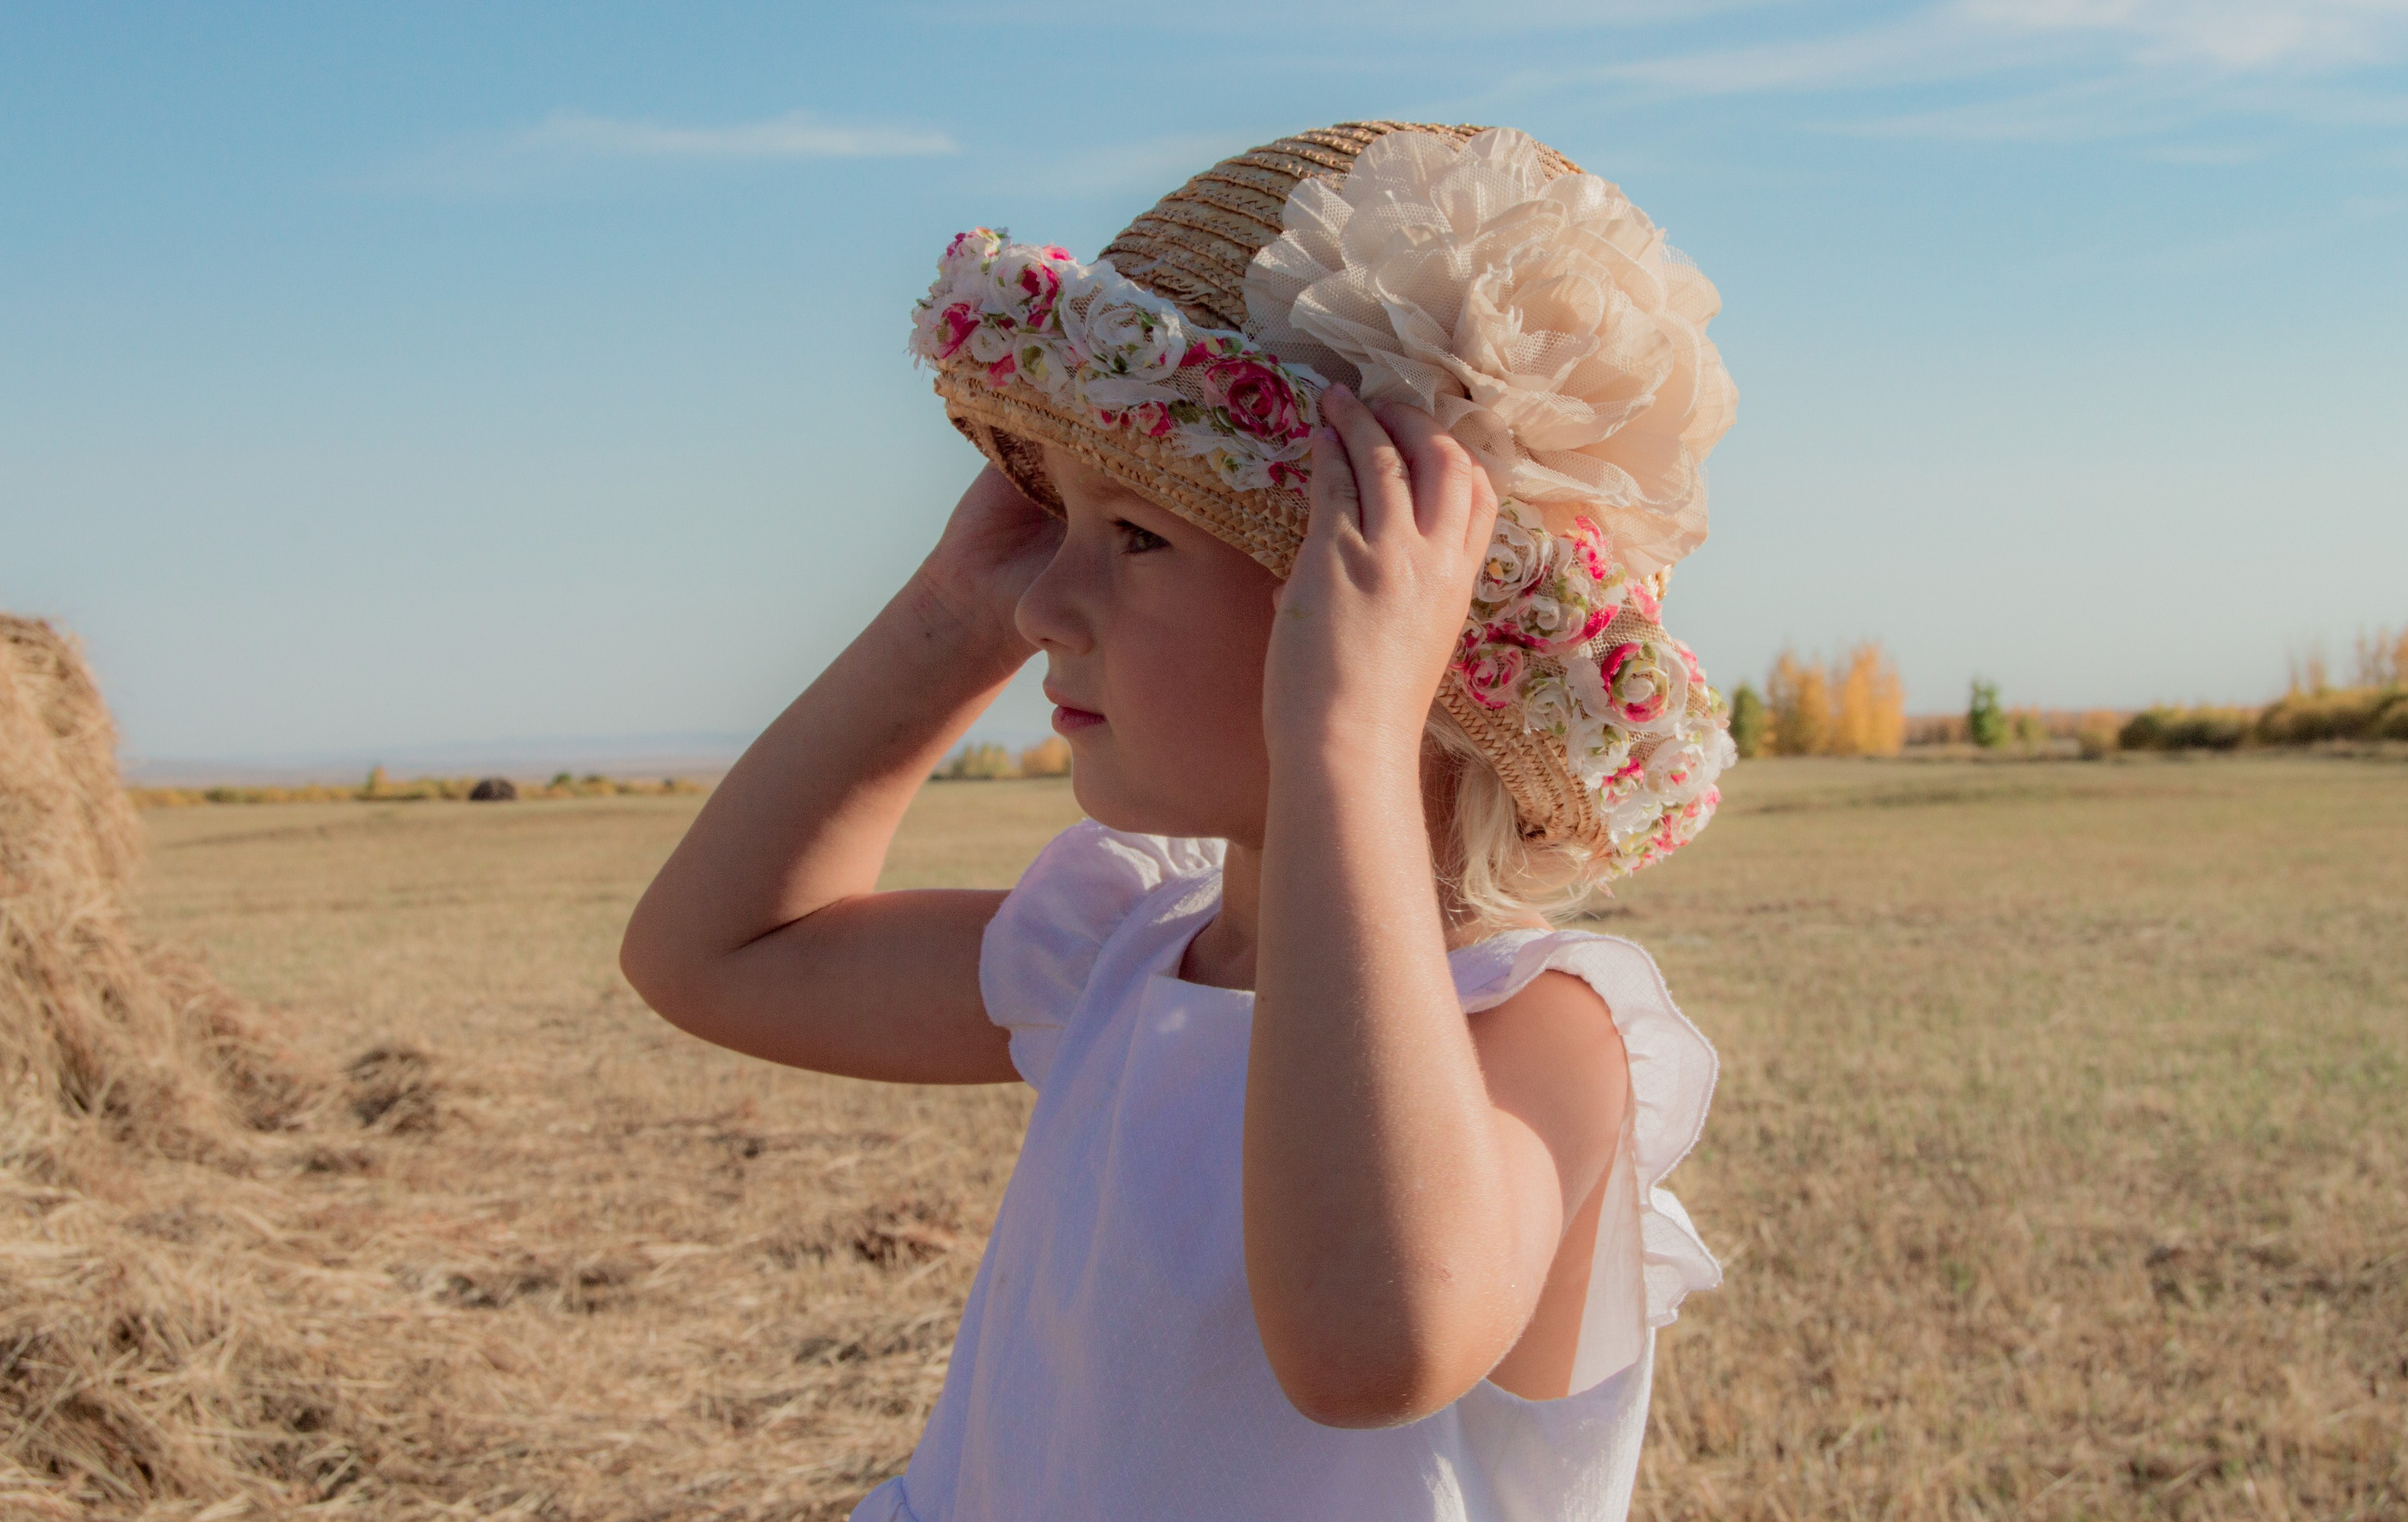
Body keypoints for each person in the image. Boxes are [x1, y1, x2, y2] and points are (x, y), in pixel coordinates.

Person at [621, 122, 1740, 1522]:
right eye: (1054, 525)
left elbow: (1367, 1340)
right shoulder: (1123, 951)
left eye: (1135, 538)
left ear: (1399, 625)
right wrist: (947, 615)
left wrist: (1346, 737)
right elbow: (714, 950)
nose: (1044, 604)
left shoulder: (1540, 1038)